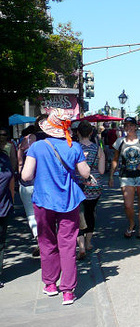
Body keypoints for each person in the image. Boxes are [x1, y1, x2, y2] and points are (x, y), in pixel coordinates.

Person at [21, 109, 90, 305]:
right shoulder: (74, 146)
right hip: (68, 200)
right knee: (67, 244)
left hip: (43, 200)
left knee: (46, 242)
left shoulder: (37, 147)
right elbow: (85, 173)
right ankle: (68, 291)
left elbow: (26, 176)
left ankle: (50, 284)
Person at [109, 116, 140, 240]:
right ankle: (132, 223)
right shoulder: (120, 142)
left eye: (131, 125)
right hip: (126, 175)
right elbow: (115, 159)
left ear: (135, 127)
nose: (128, 128)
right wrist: (111, 175)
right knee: (128, 205)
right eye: (126, 125)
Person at [76, 120, 106, 259]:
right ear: (90, 133)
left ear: (77, 133)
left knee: (78, 215)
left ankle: (81, 246)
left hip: (78, 184)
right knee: (90, 213)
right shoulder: (98, 149)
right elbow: (102, 170)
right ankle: (88, 243)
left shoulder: (74, 147)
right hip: (94, 185)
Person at [16, 123, 45, 256]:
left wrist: (19, 174)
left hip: (27, 182)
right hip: (43, 181)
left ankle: (39, 240)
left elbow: (19, 162)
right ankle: (50, 238)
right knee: (46, 212)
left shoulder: (25, 141)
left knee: (31, 214)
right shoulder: (48, 140)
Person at [0, 149, 15, 289]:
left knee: (1, 242)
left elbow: (11, 180)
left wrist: (12, 200)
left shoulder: (4, 157)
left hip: (3, 207)